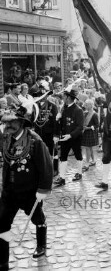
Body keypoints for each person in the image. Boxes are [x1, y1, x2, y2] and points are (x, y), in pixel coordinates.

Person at [0, 101, 53, 269]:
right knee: (1, 223)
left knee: (38, 219)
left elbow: (46, 166)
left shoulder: (34, 141)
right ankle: (3, 261)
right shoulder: (6, 138)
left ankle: (41, 245)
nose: (7, 125)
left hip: (30, 192)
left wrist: (43, 190)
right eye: (6, 122)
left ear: (22, 123)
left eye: (12, 122)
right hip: (9, 192)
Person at [53, 88, 84, 186]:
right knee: (63, 157)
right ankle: (62, 178)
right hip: (64, 136)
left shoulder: (78, 110)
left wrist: (70, 135)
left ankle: (79, 173)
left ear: (69, 98)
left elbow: (80, 127)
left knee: (78, 155)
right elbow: (61, 125)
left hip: (75, 137)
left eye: (65, 96)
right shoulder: (64, 108)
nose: (63, 98)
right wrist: (58, 119)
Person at [81, 99, 99, 171]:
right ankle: (93, 161)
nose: (85, 106)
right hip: (85, 132)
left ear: (91, 105)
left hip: (91, 133)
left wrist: (88, 128)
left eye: (87, 104)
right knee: (90, 148)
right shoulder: (85, 113)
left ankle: (87, 164)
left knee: (88, 148)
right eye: (85, 104)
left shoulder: (94, 114)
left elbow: (97, 125)